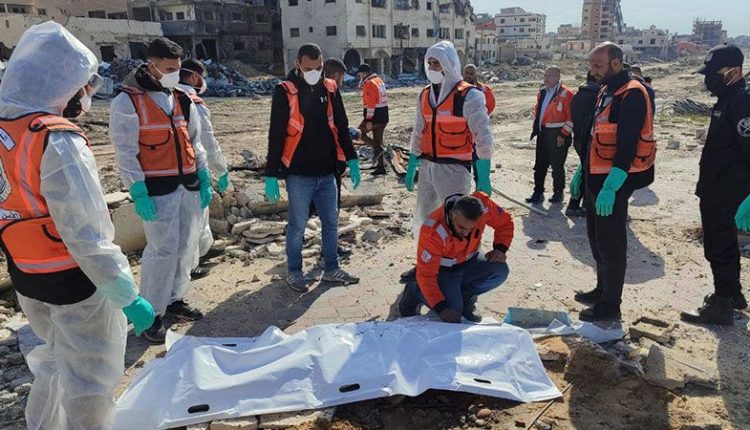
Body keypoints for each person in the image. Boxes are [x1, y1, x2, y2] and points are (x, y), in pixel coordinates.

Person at [0, 22, 154, 429]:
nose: (86, 94)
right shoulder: (55, 139)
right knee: (89, 379)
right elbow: (86, 234)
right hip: (74, 281)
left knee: (53, 360)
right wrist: (126, 294)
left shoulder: (5, 132)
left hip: (26, 273)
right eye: (83, 85)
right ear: (62, 85)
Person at [109, 37, 213, 343]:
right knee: (162, 251)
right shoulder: (128, 101)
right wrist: (138, 191)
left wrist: (204, 176)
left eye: (177, 69)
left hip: (188, 184)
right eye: (168, 69)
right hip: (157, 190)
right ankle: (151, 314)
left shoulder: (181, 98)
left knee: (186, 245)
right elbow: (126, 151)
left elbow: (194, 142)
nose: (174, 75)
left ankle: (175, 299)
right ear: (151, 65)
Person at [265, 43, 361, 292]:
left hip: (327, 171)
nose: (314, 73)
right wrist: (271, 174)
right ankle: (295, 272)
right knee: (297, 226)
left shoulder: (329, 88)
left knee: (331, 222)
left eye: (318, 68)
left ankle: (331, 268)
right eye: (309, 68)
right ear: (298, 63)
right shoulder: (284, 91)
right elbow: (276, 134)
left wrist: (352, 159)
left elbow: (341, 125)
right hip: (299, 174)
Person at [570, 42, 656, 321]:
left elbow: (627, 145)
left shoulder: (632, 94)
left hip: (613, 183)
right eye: (591, 66)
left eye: (598, 66)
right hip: (595, 178)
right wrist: (582, 169)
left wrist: (612, 185)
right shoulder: (606, 90)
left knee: (611, 244)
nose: (593, 71)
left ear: (616, 64)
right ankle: (601, 289)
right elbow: (594, 134)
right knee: (596, 239)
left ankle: (610, 305)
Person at [681, 43, 749, 326]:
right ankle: (733, 294)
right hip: (717, 186)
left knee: (718, 244)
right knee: (724, 242)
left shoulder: (742, 102)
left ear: (733, 72)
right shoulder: (728, 98)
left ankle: (721, 305)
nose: (708, 80)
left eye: (713, 74)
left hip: (728, 190)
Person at [405, 40, 494, 235]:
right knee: (426, 218)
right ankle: (428, 252)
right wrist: (412, 162)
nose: (432, 68)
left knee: (456, 222)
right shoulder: (424, 95)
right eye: (429, 63)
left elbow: (483, 137)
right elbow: (418, 131)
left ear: (449, 64)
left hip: (454, 170)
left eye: (436, 63)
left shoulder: (469, 96)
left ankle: (459, 254)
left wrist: (484, 174)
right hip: (427, 167)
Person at [398, 193, 513, 323]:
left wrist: (500, 248)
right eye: (461, 227)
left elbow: (505, 222)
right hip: (443, 270)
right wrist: (441, 308)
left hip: (470, 260)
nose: (466, 233)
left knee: (500, 271)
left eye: (471, 228)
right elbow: (427, 275)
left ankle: (465, 296)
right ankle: (415, 290)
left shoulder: (484, 206)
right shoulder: (432, 231)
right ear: (452, 214)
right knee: (453, 310)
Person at [177, 58, 231, 280]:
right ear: (194, 76)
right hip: (192, 166)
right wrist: (222, 169)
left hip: (172, 167)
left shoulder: (167, 95)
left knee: (197, 215)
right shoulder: (192, 101)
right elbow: (207, 142)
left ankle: (201, 251)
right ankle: (189, 266)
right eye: (203, 77)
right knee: (192, 219)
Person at [526, 66, 574, 204]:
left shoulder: (567, 94)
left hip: (558, 134)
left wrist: (563, 134)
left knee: (557, 165)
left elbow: (572, 117)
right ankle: (538, 192)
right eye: (545, 76)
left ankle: (558, 192)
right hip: (543, 133)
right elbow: (539, 111)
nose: (546, 79)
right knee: (540, 165)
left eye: (550, 76)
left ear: (558, 77)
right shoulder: (542, 92)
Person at [565, 72, 601, 217]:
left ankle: (577, 205)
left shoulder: (580, 93)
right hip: (590, 141)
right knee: (590, 174)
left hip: (580, 140)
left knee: (585, 172)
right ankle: (584, 206)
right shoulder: (596, 96)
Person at [356, 63, 389, 175]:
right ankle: (381, 167)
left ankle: (377, 149)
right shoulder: (378, 80)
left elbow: (371, 104)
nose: (359, 75)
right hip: (384, 115)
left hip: (375, 116)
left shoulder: (369, 83)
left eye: (360, 73)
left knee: (359, 133)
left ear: (364, 73)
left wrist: (368, 120)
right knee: (378, 140)